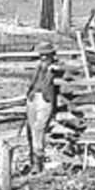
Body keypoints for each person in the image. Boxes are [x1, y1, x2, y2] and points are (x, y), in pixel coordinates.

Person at [25, 42, 58, 173]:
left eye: (46, 55)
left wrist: (52, 72)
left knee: (39, 128)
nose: (43, 57)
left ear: (51, 55)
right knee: (32, 128)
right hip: (33, 98)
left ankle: (38, 161)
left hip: (45, 99)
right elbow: (33, 82)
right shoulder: (38, 66)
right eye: (41, 55)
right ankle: (34, 160)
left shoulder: (54, 67)